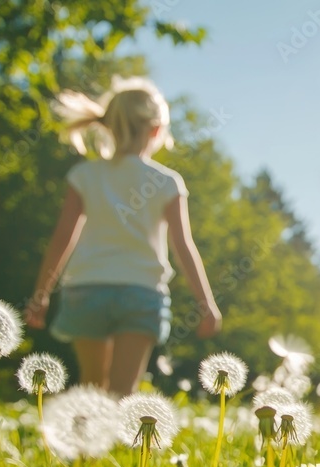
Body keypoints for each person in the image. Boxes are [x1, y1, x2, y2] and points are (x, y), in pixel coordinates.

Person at [24, 77, 221, 395]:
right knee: (122, 393)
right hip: (141, 293)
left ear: (109, 127)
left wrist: (41, 294)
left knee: (90, 387)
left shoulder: (84, 176)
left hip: (87, 290)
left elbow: (62, 239)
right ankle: (117, 445)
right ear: (156, 130)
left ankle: (87, 444)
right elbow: (183, 246)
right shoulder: (167, 182)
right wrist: (206, 304)